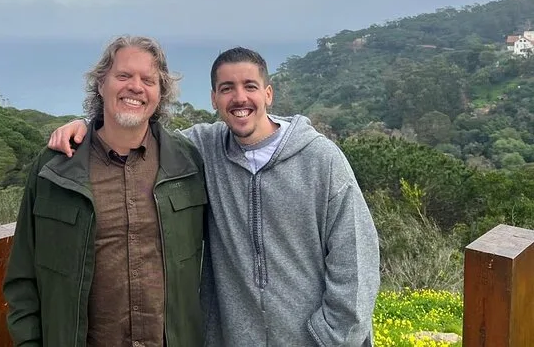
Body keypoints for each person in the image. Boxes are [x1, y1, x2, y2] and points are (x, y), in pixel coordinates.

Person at [48, 47, 381, 346]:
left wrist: (330, 338)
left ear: (268, 94)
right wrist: (87, 126)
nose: (239, 98)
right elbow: (137, 132)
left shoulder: (321, 159)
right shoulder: (203, 149)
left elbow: (355, 257)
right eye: (227, 88)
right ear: (214, 99)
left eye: (250, 86)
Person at [3, 35, 208, 347]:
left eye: (148, 80)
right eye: (123, 75)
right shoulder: (55, 168)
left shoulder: (187, 162)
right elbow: (23, 276)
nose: (136, 87)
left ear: (160, 93)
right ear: (101, 84)